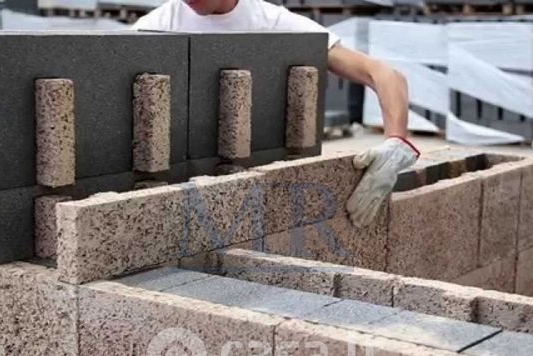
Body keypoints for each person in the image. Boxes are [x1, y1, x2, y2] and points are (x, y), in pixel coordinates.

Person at [131, 0, 420, 227]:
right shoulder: (158, 25)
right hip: (184, 189)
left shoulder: (272, 23)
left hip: (258, 190)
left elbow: (384, 74)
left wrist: (395, 143)